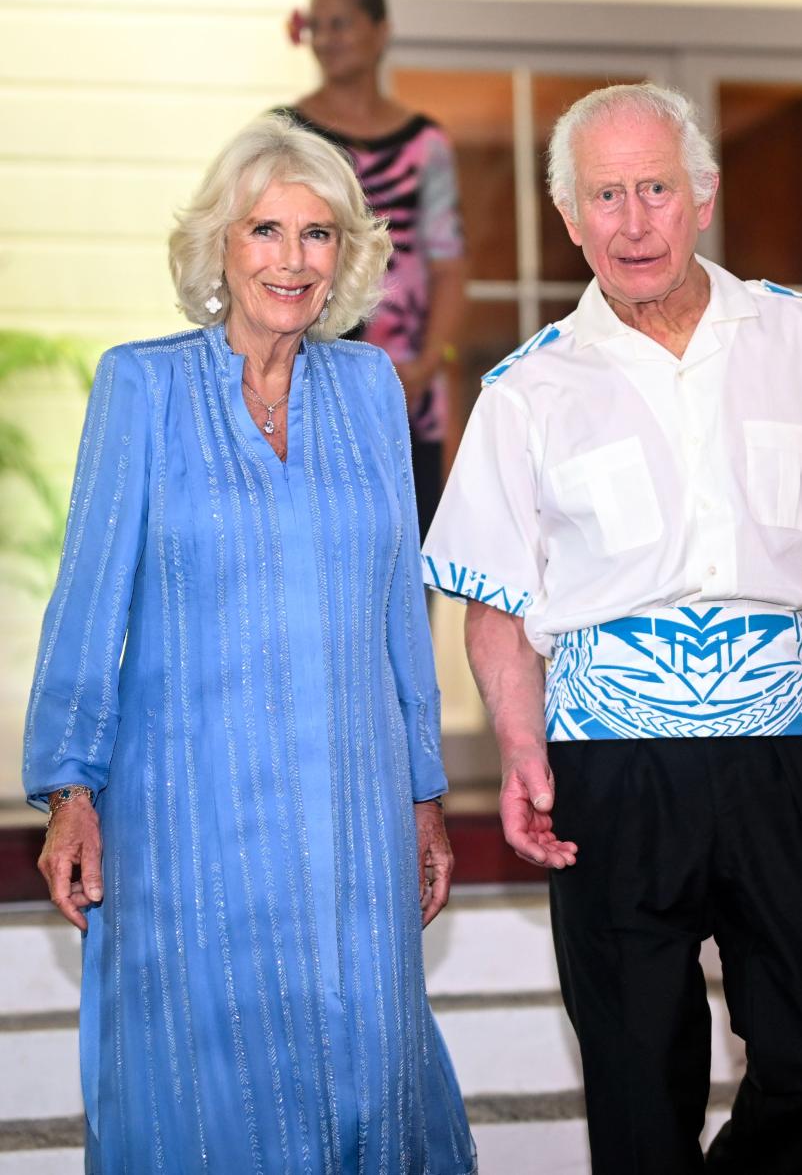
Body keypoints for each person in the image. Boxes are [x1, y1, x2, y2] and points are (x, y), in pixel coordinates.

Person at [423, 82, 802, 1174]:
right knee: (640, 1094)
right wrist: (517, 750)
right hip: (610, 768)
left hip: (787, 754)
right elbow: (495, 607)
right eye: (605, 194)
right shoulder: (525, 390)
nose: (632, 219)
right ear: (569, 217)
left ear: (703, 196)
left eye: (655, 188)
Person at [24, 113, 476, 1175]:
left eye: (316, 235)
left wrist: (423, 796)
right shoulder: (142, 387)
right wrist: (69, 791)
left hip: (353, 816)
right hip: (190, 815)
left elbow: (396, 619)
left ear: (345, 257)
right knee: (205, 1081)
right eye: (263, 230)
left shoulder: (371, 394)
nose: (291, 259)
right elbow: (88, 602)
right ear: (219, 248)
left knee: (370, 1063)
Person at [279, 0, 465, 540]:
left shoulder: (426, 143)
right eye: (318, 25)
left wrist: (427, 365)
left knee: (404, 561)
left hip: (408, 394)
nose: (327, 38)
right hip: (303, 388)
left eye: (342, 23)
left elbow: (450, 264)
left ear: (381, 32)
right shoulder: (283, 135)